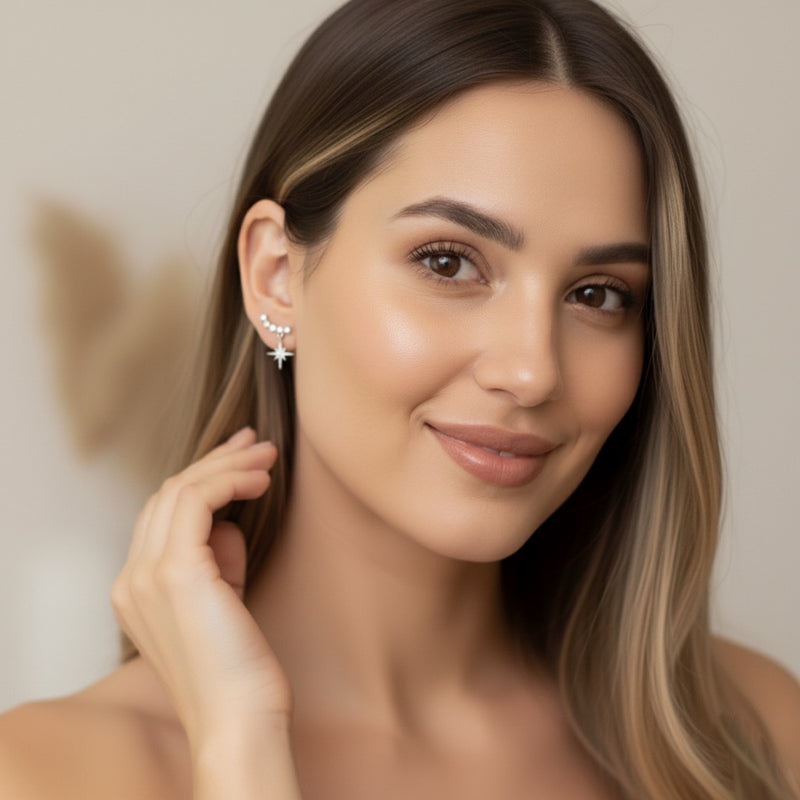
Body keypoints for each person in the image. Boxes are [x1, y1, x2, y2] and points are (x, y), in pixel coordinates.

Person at [1, 0, 799, 797]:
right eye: (450, 263)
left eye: (599, 294)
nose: (531, 372)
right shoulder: (43, 774)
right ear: (276, 276)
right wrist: (240, 746)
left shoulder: (751, 736)